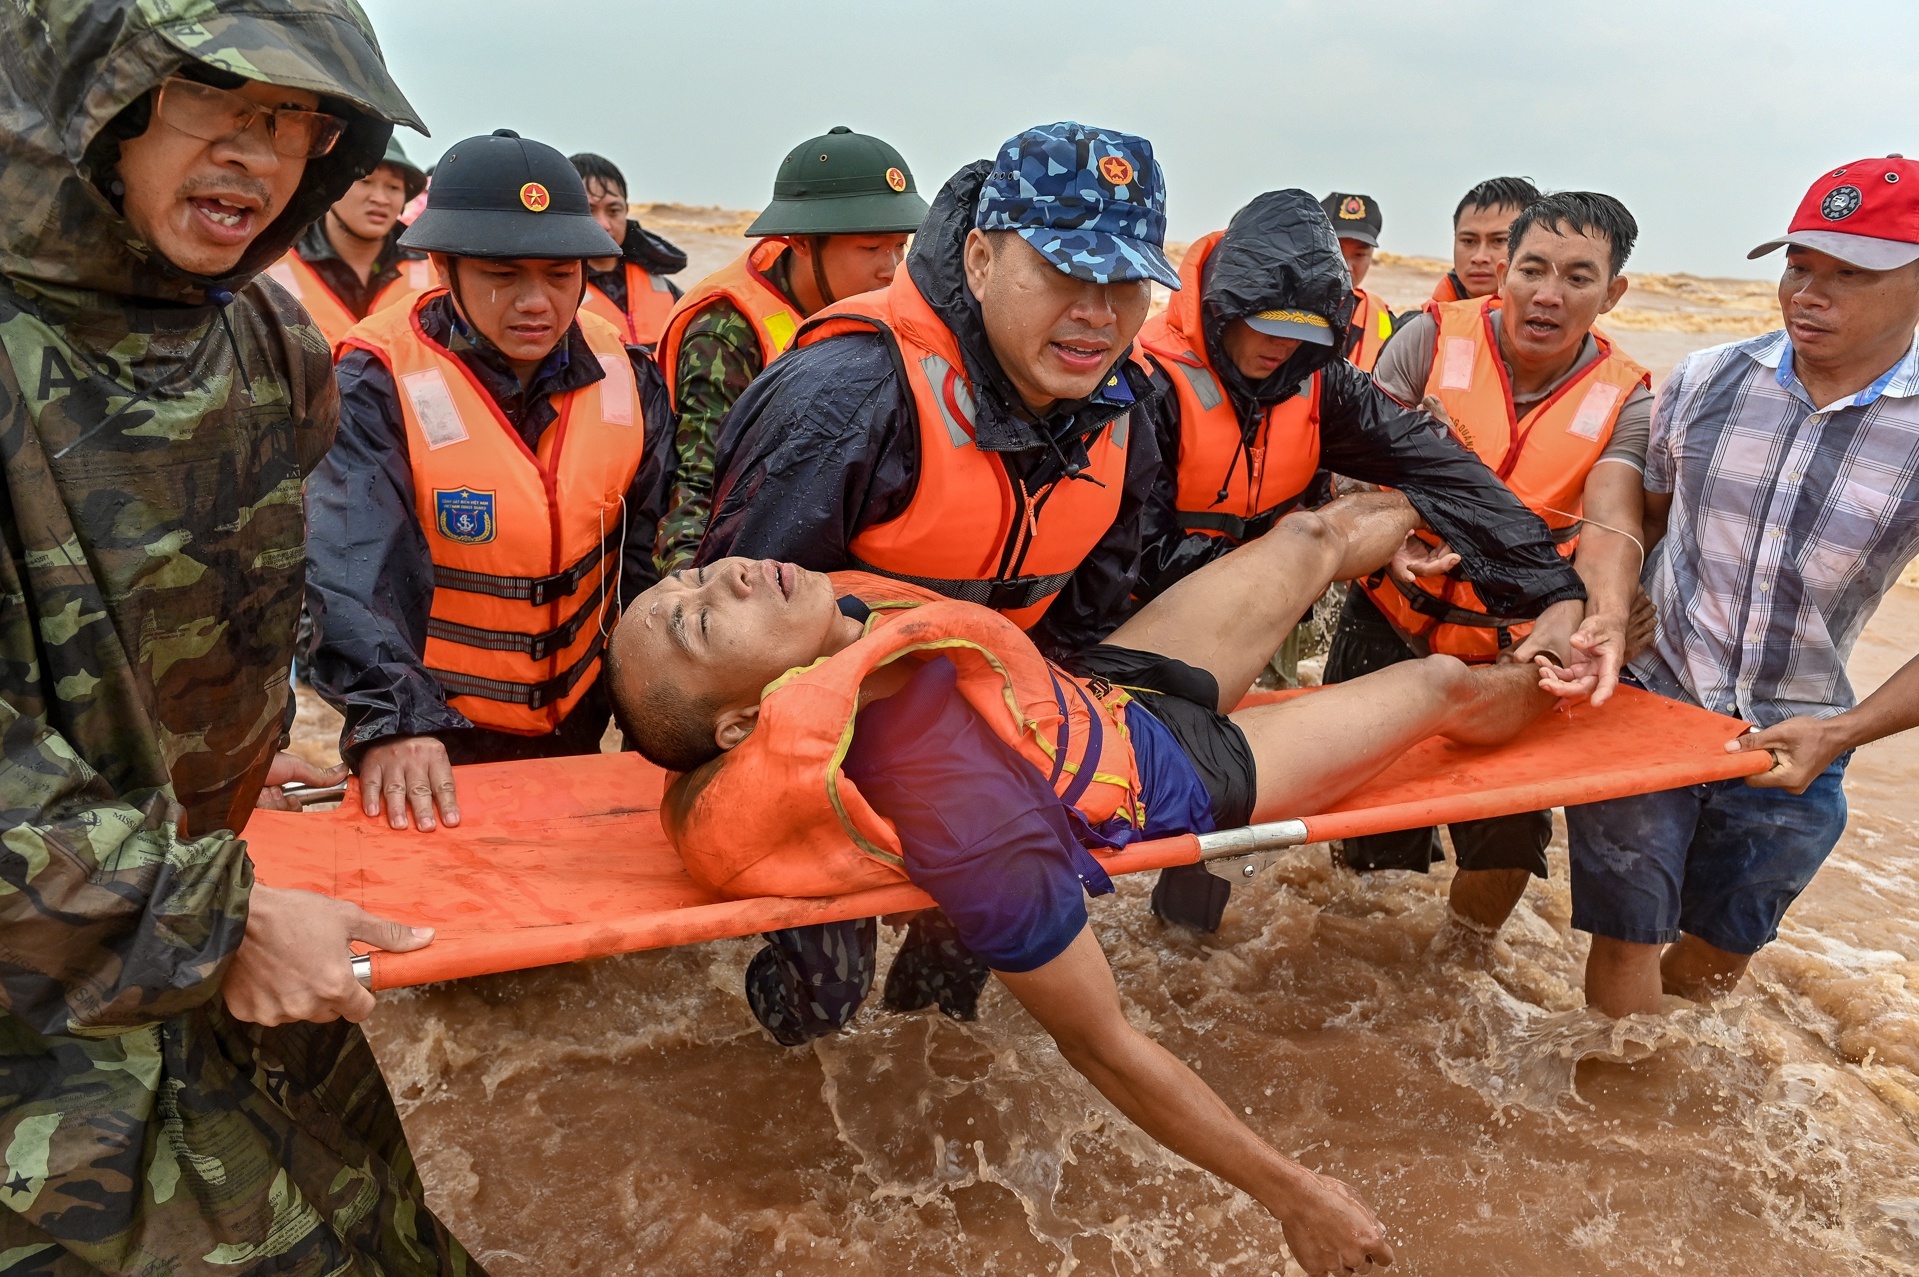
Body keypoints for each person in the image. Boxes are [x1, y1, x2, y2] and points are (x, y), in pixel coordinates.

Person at [610, 492, 1557, 1274]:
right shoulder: (957, 806)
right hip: (1193, 768)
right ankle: (1558, 669)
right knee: (1438, 682)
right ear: (742, 724)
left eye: (692, 575)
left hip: (1099, 693)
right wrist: (1292, 1194)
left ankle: (1479, 544)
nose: (726, 575)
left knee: (1312, 534)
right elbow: (1099, 1041)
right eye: (701, 619)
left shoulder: (835, 623)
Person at [0, 2, 478, 1272]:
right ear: (95, 99)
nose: (261, 158)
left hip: (214, 941)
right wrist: (212, 915)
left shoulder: (266, 342)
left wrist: (235, 754)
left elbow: (237, 621)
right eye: (217, 102)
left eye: (295, 120)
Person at [1132, 188, 1591, 926]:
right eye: (1263, 326)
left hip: (1244, 628)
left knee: (1218, 826)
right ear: (1219, 304)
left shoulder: (1319, 383)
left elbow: (1452, 477)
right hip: (1129, 628)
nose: (1278, 346)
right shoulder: (1139, 384)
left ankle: (1181, 946)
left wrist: (1558, 594)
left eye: (1303, 332)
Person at [1556, 158, 1919, 1017]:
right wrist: (1609, 609)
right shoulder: (1704, 381)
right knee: (1626, 939)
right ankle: (1610, 1124)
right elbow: (1631, 514)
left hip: (1797, 733)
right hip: (1650, 706)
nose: (1807, 294)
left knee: (1712, 967)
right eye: (1797, 265)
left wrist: (1842, 731)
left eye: (1848, 274)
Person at [306, 130, 672, 834]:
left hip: (576, 709)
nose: (536, 301)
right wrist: (394, 719)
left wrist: (649, 697)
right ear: (445, 267)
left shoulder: (629, 370)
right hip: (436, 725)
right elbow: (348, 564)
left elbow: (639, 551)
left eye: (561, 274)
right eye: (503, 274)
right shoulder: (371, 379)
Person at [1327, 191, 1652, 936]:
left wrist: (1603, 615)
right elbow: (1348, 465)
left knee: (1506, 834)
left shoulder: (1626, 396)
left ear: (1612, 292)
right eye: (1530, 268)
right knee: (1364, 834)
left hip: (1515, 648)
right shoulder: (1428, 338)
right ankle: (1348, 961)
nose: (1546, 293)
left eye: (1577, 276)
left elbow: (1611, 520)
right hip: (1390, 619)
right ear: (1502, 272)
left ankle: (1457, 964)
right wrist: (1393, 527)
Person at [652, 126, 927, 574]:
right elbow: (697, 484)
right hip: (751, 557)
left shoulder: (886, 311)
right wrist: (694, 589)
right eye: (871, 247)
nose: (891, 270)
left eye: (900, 247)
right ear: (799, 241)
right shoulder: (725, 331)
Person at [266, 133, 431, 345]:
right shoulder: (269, 263)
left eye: (393, 187)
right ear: (330, 187)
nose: (380, 199)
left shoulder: (436, 270)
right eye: (365, 181)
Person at [570, 150, 688, 347]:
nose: (604, 224)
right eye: (589, 212)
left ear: (626, 210)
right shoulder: (552, 293)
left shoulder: (663, 285)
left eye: (614, 211)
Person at [1429, 176, 1540, 305]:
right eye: (1468, 241)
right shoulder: (1422, 323)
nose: (1479, 257)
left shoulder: (1559, 321)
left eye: (1499, 240)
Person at [1320, 190, 1394, 371]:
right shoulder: (1285, 311)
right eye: (1336, 251)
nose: (1347, 266)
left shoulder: (1388, 322)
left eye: (1360, 254)